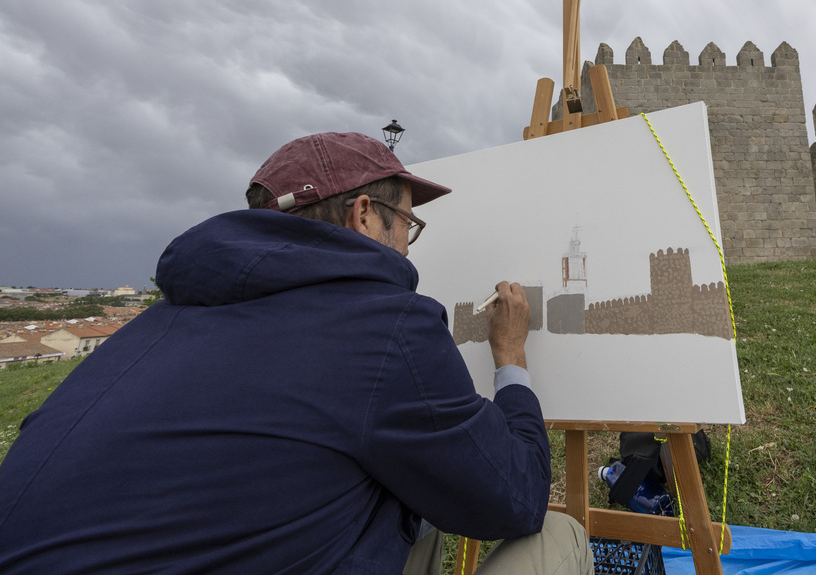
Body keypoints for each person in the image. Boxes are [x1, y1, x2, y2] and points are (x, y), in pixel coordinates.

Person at [0, 131, 593, 575]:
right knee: (558, 538)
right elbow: (516, 500)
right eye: (407, 226)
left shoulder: (158, 323)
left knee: (411, 516)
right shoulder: (382, 327)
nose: (409, 252)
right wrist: (510, 356)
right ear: (365, 214)